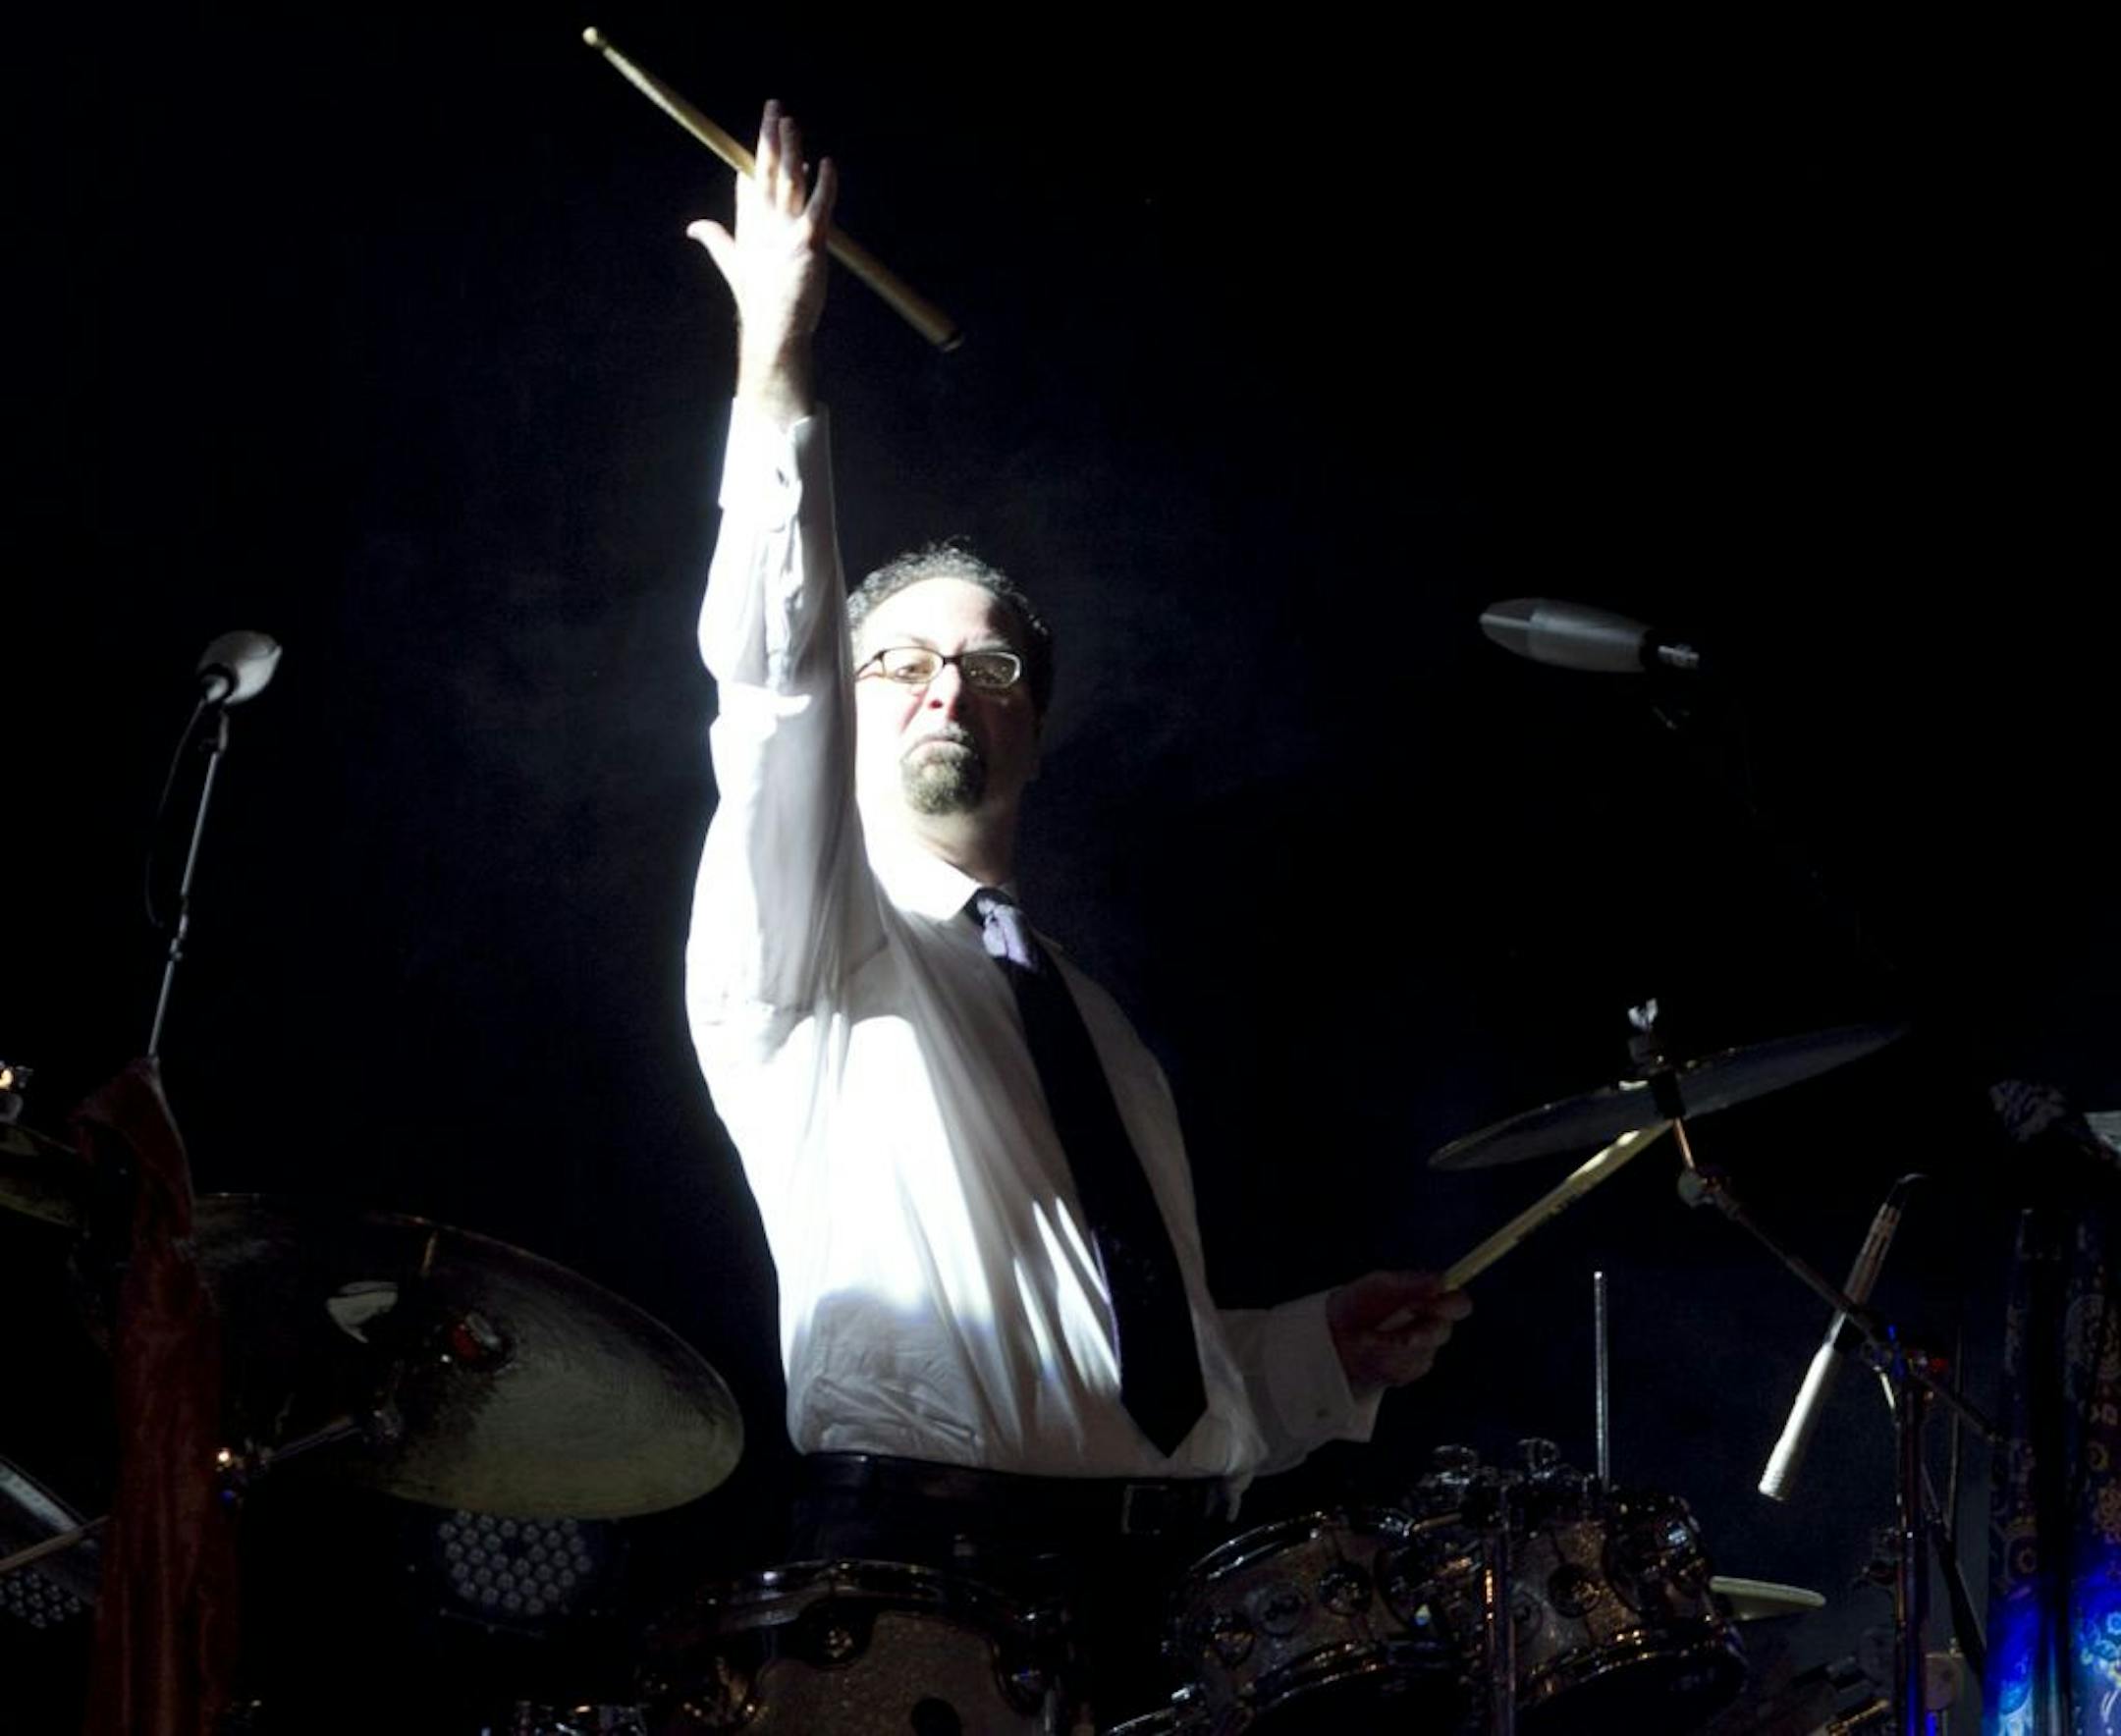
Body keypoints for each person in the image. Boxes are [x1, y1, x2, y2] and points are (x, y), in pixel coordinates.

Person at [681, 101, 1470, 1722]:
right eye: (897, 660)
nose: (940, 687)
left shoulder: (1093, 1023)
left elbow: (1145, 1380)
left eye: (988, 664)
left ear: (1033, 719)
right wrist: (779, 368)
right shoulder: (808, 948)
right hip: (918, 1588)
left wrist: (1320, 1350)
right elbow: (770, 691)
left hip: (1166, 1599)